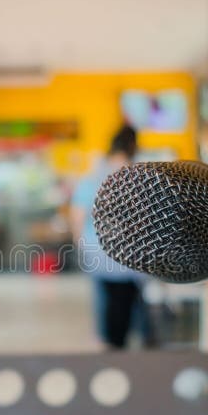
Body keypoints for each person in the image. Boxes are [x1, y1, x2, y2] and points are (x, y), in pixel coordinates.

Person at [71, 125, 154, 349]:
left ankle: (107, 342)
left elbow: (78, 216)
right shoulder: (137, 176)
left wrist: (82, 246)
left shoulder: (94, 175)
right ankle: (128, 342)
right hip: (130, 256)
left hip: (99, 251)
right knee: (128, 303)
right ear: (134, 147)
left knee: (104, 302)